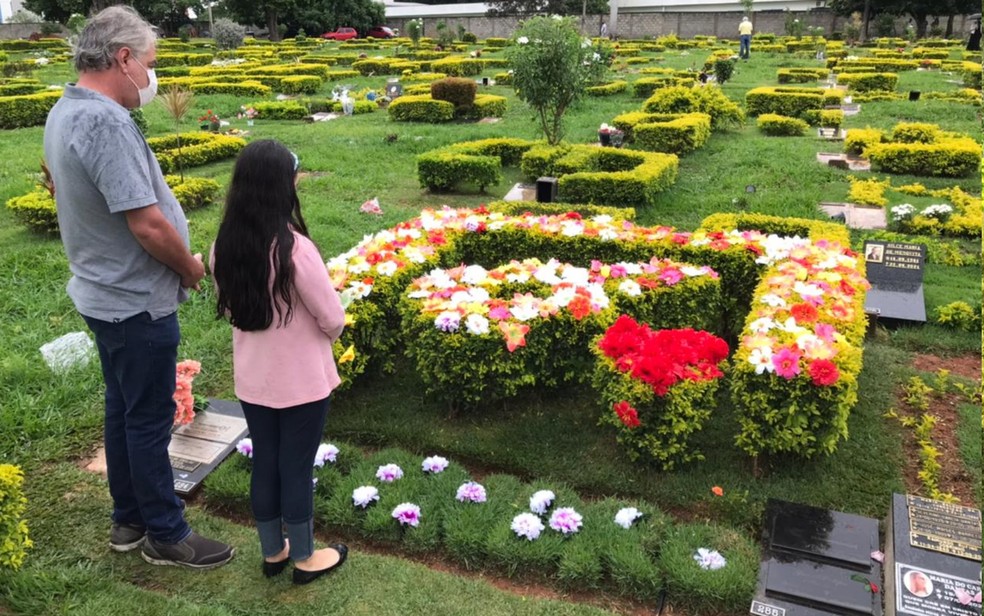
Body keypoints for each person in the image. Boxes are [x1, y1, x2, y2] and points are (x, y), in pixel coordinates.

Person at [43, 6, 234, 569]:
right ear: (123, 59)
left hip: (103, 294)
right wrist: (190, 268)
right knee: (149, 416)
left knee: (125, 408)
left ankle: (128, 520)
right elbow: (147, 222)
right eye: (149, 64)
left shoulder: (65, 109)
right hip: (132, 300)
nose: (151, 78)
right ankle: (165, 533)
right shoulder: (104, 121)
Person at [211, 140, 348, 586]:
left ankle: (273, 550)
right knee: (296, 464)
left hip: (254, 380)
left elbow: (232, 310)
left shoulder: (223, 247)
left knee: (266, 461)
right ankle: (306, 556)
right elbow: (332, 317)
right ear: (281, 186)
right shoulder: (295, 248)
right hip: (302, 382)